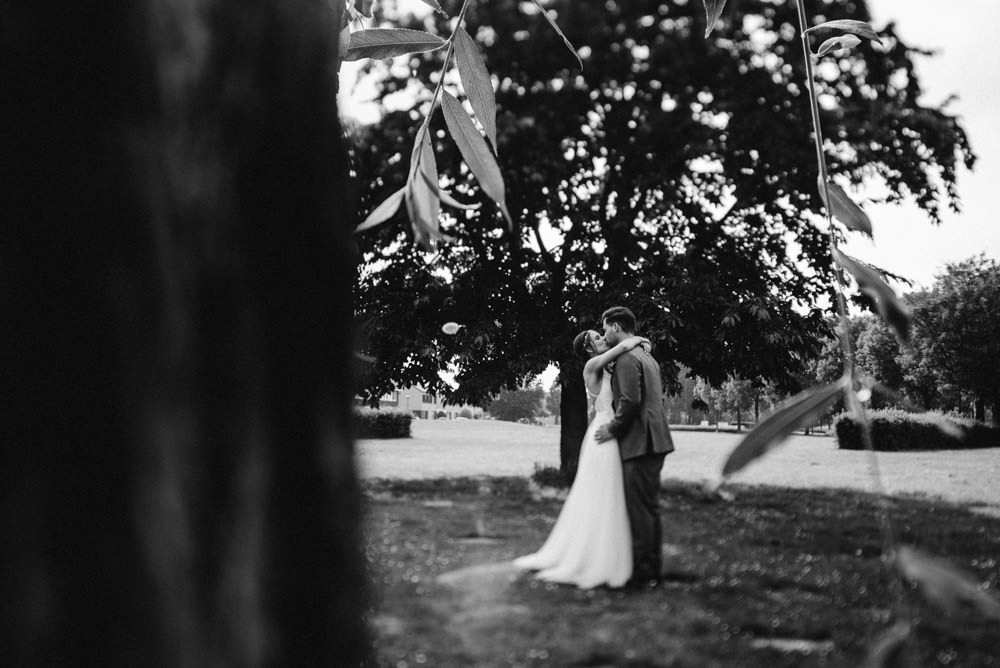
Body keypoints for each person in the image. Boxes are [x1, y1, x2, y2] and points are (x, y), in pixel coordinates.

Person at [513, 330, 650, 589]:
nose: (603, 338)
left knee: (608, 493)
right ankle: (598, 558)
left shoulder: (609, 365)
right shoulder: (591, 365)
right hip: (603, 435)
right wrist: (635, 341)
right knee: (603, 492)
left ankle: (607, 550)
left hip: (612, 431)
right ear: (588, 348)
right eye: (597, 338)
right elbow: (619, 349)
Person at [594, 306, 674, 588]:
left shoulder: (628, 358)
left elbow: (629, 401)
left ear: (616, 327)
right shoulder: (646, 355)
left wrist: (612, 430)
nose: (604, 333)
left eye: (605, 328)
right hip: (655, 439)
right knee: (649, 508)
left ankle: (642, 575)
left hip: (641, 441)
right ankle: (652, 570)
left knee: (640, 510)